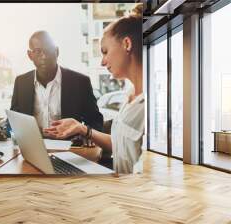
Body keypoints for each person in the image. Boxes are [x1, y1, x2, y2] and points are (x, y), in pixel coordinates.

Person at [44, 14, 144, 174]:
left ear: (127, 44)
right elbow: (120, 145)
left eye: (105, 52)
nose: (102, 62)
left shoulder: (150, 104)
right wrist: (82, 129)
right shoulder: (130, 95)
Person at [10, 31, 104, 133]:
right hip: (32, 146)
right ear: (30, 55)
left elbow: (96, 122)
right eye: (38, 51)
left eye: (48, 50)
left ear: (57, 51)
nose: (44, 56)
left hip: (70, 146)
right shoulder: (21, 83)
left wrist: (82, 136)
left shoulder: (80, 82)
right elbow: (13, 120)